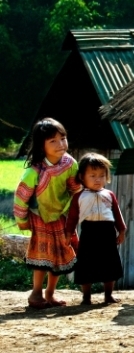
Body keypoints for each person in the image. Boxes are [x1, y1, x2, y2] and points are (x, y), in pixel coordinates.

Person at [14, 118, 81, 308]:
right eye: (53, 141)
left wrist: (74, 212)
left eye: (63, 138)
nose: (60, 144)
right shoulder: (34, 171)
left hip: (61, 216)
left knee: (60, 254)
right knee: (43, 256)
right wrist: (22, 220)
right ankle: (36, 294)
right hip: (40, 217)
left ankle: (50, 294)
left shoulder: (70, 164)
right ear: (41, 145)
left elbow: (75, 189)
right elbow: (21, 198)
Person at [65, 153, 126, 305]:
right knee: (86, 264)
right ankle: (86, 297)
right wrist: (68, 234)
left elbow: (117, 214)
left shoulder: (109, 195)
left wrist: (122, 231)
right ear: (82, 177)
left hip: (107, 233)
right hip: (89, 233)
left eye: (101, 175)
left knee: (109, 264)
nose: (98, 179)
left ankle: (108, 295)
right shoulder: (79, 196)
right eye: (92, 175)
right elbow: (72, 217)